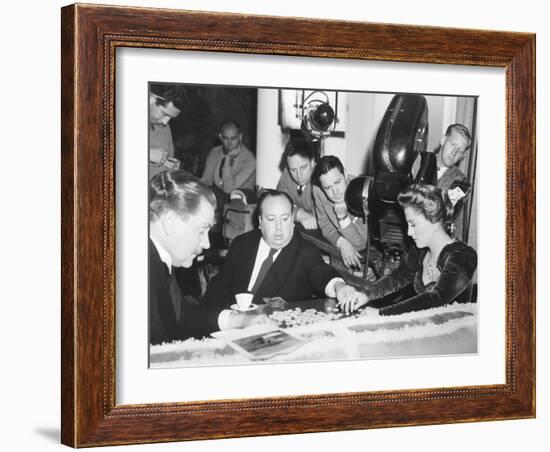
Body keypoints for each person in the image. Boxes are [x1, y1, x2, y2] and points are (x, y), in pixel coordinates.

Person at [202, 190, 361, 322]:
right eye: (271, 219)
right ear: (260, 222)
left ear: (292, 220)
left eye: (285, 219)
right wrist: (217, 319)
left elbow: (320, 272)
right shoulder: (241, 243)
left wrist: (339, 286)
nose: (279, 228)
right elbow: (221, 285)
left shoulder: (305, 251)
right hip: (231, 323)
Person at [149, 170, 265, 344]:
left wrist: (236, 320)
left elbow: (178, 313)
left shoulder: (160, 257)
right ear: (170, 222)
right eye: (202, 230)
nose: (207, 244)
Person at [339, 184, 477, 316]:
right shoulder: (420, 251)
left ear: (434, 220)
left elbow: (436, 298)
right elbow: (397, 277)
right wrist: (366, 295)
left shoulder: (463, 256)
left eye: (413, 224)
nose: (409, 233)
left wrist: (382, 314)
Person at [312, 155, 368, 270]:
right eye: (327, 188)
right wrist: (342, 243)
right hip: (344, 254)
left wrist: (343, 218)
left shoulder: (362, 192)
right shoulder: (318, 190)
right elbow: (325, 226)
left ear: (345, 175)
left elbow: (361, 244)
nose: (335, 191)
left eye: (337, 182)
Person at [201, 120, 256, 197]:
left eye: (233, 138)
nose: (229, 143)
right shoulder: (214, 152)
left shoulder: (250, 160)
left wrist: (227, 160)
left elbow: (229, 190)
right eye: (226, 138)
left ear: (240, 137)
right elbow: (206, 180)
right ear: (220, 137)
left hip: (242, 200)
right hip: (218, 196)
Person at [276, 138, 318, 230]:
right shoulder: (287, 173)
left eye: (303, 168)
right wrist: (299, 214)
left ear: (312, 162)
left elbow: (320, 218)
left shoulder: (320, 179)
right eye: (293, 170)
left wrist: (293, 211)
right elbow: (279, 204)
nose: (299, 175)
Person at [149, 83, 185, 178]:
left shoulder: (164, 127)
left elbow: (166, 159)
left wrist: (171, 167)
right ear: (151, 99)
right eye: (165, 114)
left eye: (171, 117)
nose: (165, 122)